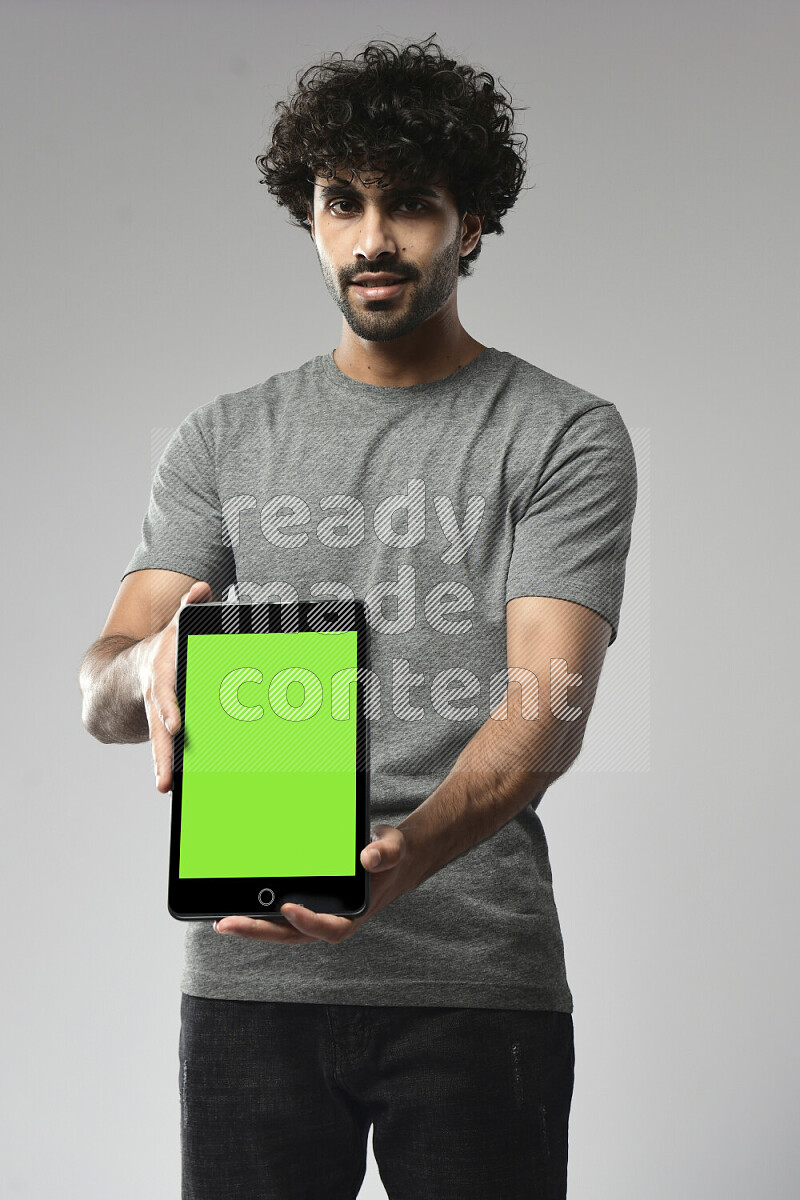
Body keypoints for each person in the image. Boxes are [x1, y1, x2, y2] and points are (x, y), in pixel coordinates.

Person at [79, 34, 637, 1200]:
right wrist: (152, 669)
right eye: (343, 203)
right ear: (312, 219)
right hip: (248, 992)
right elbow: (102, 690)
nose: (372, 238)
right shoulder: (223, 438)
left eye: (411, 205)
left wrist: (400, 863)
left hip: (474, 986)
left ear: (470, 224)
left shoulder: (559, 434)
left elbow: (548, 701)